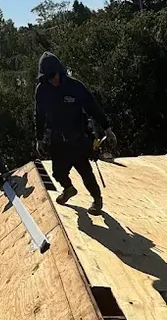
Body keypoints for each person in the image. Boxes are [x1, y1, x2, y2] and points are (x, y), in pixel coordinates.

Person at [35, 52, 116, 215]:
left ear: (60, 71)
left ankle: (97, 200)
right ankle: (68, 189)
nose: (53, 79)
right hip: (57, 139)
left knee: (85, 171)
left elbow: (93, 107)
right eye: (48, 77)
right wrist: (39, 139)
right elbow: (39, 115)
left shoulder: (74, 86)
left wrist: (107, 128)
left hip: (77, 137)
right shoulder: (42, 90)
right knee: (58, 173)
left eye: (54, 75)